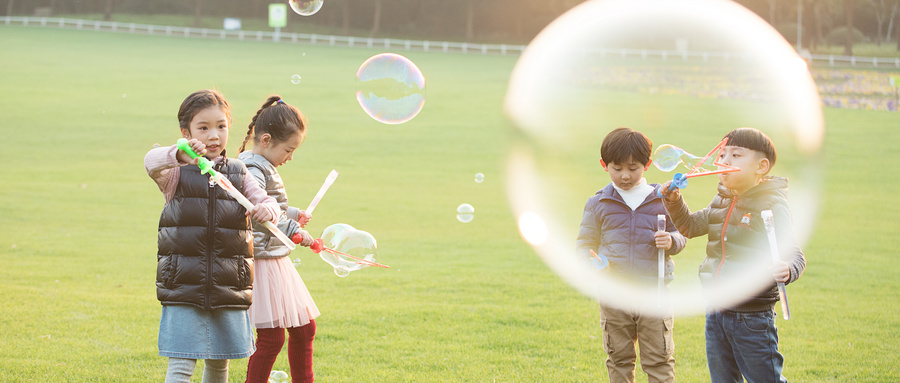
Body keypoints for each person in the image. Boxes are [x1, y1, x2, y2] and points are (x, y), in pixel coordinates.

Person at [144, 89, 281, 383]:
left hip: (228, 285)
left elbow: (266, 200)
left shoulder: (238, 172)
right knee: (181, 366)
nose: (214, 135)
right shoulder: (175, 173)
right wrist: (179, 154)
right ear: (186, 132)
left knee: (220, 364)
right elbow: (151, 161)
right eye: (203, 128)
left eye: (221, 126)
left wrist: (268, 211)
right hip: (183, 285)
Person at [659, 127, 806, 383]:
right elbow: (690, 226)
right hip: (716, 311)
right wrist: (673, 199)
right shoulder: (721, 201)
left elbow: (794, 253)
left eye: (736, 155)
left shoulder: (772, 204)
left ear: (761, 166)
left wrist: (788, 269)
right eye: (723, 155)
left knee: (765, 379)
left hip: (751, 315)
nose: (725, 161)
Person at [576, 127, 686, 383]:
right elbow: (585, 244)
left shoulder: (665, 199)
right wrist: (592, 262)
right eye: (617, 168)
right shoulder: (598, 203)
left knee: (659, 360)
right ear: (604, 165)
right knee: (619, 359)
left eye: (633, 168)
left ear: (647, 165)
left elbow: (682, 234)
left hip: (654, 294)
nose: (625, 175)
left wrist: (671, 241)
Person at [238, 96, 319, 383]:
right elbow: (258, 211)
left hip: (275, 260)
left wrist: (293, 213)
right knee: (271, 338)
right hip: (263, 264)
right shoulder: (251, 167)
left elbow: (272, 205)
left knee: (304, 329)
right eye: (289, 149)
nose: (290, 157)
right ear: (266, 140)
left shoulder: (260, 164)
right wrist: (296, 232)